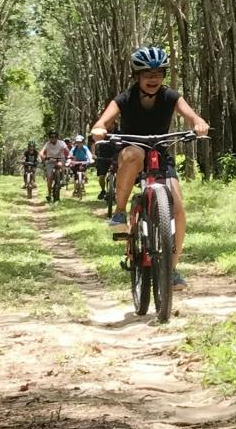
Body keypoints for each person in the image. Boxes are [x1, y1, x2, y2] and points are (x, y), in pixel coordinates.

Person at [89, 46, 211, 276]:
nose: (153, 79)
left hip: (160, 155)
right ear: (137, 77)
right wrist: (99, 128)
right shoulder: (124, 99)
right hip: (132, 154)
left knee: (178, 211)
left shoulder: (170, 96)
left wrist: (198, 123)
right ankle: (121, 211)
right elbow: (103, 121)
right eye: (147, 75)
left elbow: (191, 115)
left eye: (157, 74)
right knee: (135, 153)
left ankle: (171, 269)